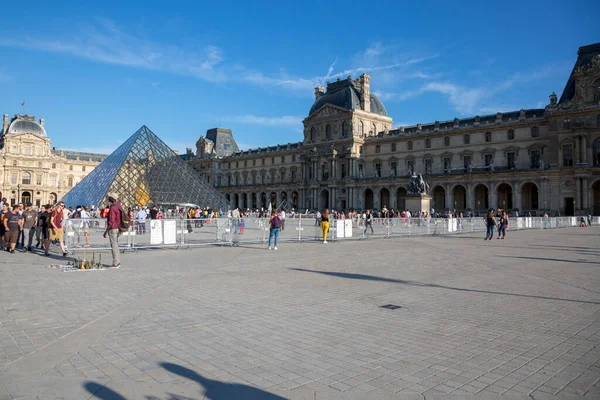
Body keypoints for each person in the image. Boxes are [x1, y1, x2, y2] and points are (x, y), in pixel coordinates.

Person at [103, 193, 123, 267]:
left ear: (113, 198)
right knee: (116, 245)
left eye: (109, 197)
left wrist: (106, 231)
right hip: (118, 228)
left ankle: (116, 263)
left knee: (114, 246)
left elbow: (111, 221)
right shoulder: (118, 206)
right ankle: (117, 261)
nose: (108, 198)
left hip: (113, 228)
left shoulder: (112, 207)